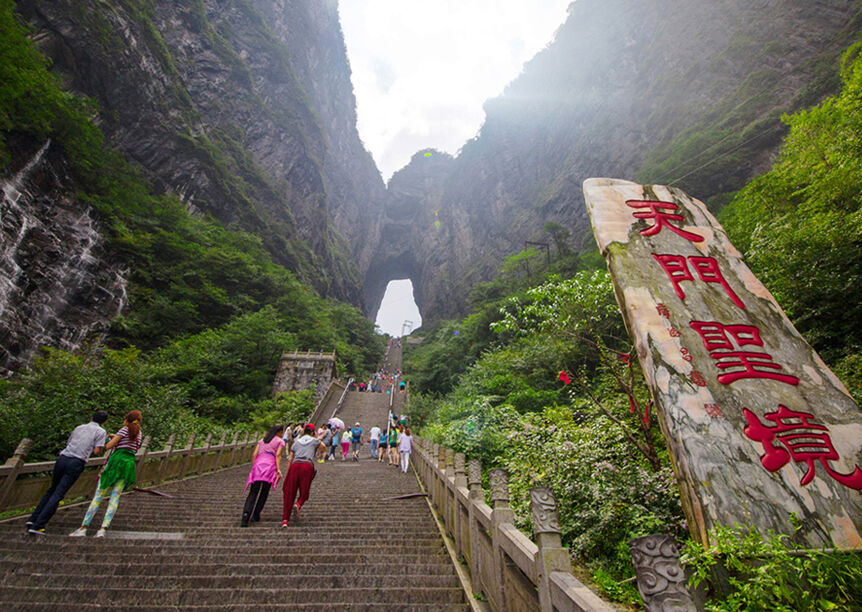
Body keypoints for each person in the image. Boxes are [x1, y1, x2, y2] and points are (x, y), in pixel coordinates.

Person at [27, 411, 108, 535]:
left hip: (63, 458)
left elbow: (69, 442)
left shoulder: (79, 427)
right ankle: (39, 525)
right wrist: (103, 442)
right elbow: (97, 451)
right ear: (103, 422)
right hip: (76, 462)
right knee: (59, 493)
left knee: (52, 489)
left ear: (91, 417)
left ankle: (33, 519)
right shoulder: (101, 432)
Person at [70, 410, 143, 538]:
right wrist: (117, 437)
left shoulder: (124, 430)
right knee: (115, 497)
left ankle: (84, 527)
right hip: (128, 465)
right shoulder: (138, 433)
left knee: (99, 494)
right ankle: (103, 529)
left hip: (115, 463)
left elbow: (109, 446)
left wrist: (113, 439)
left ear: (126, 420)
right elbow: (132, 446)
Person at [240, 424, 284, 527]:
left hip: (258, 466)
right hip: (269, 467)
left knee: (253, 492)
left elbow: (254, 454)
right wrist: (278, 470)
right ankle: (256, 515)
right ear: (279, 432)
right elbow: (278, 455)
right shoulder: (280, 441)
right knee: (264, 492)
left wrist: (254, 466)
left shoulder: (263, 440)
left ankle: (246, 515)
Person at [282, 423, 325, 528]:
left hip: (295, 466)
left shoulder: (297, 442)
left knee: (289, 494)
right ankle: (298, 504)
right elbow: (323, 447)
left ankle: (285, 520)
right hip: (307, 465)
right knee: (304, 492)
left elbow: (290, 458)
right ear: (312, 432)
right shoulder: (314, 441)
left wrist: (288, 473)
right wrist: (316, 437)